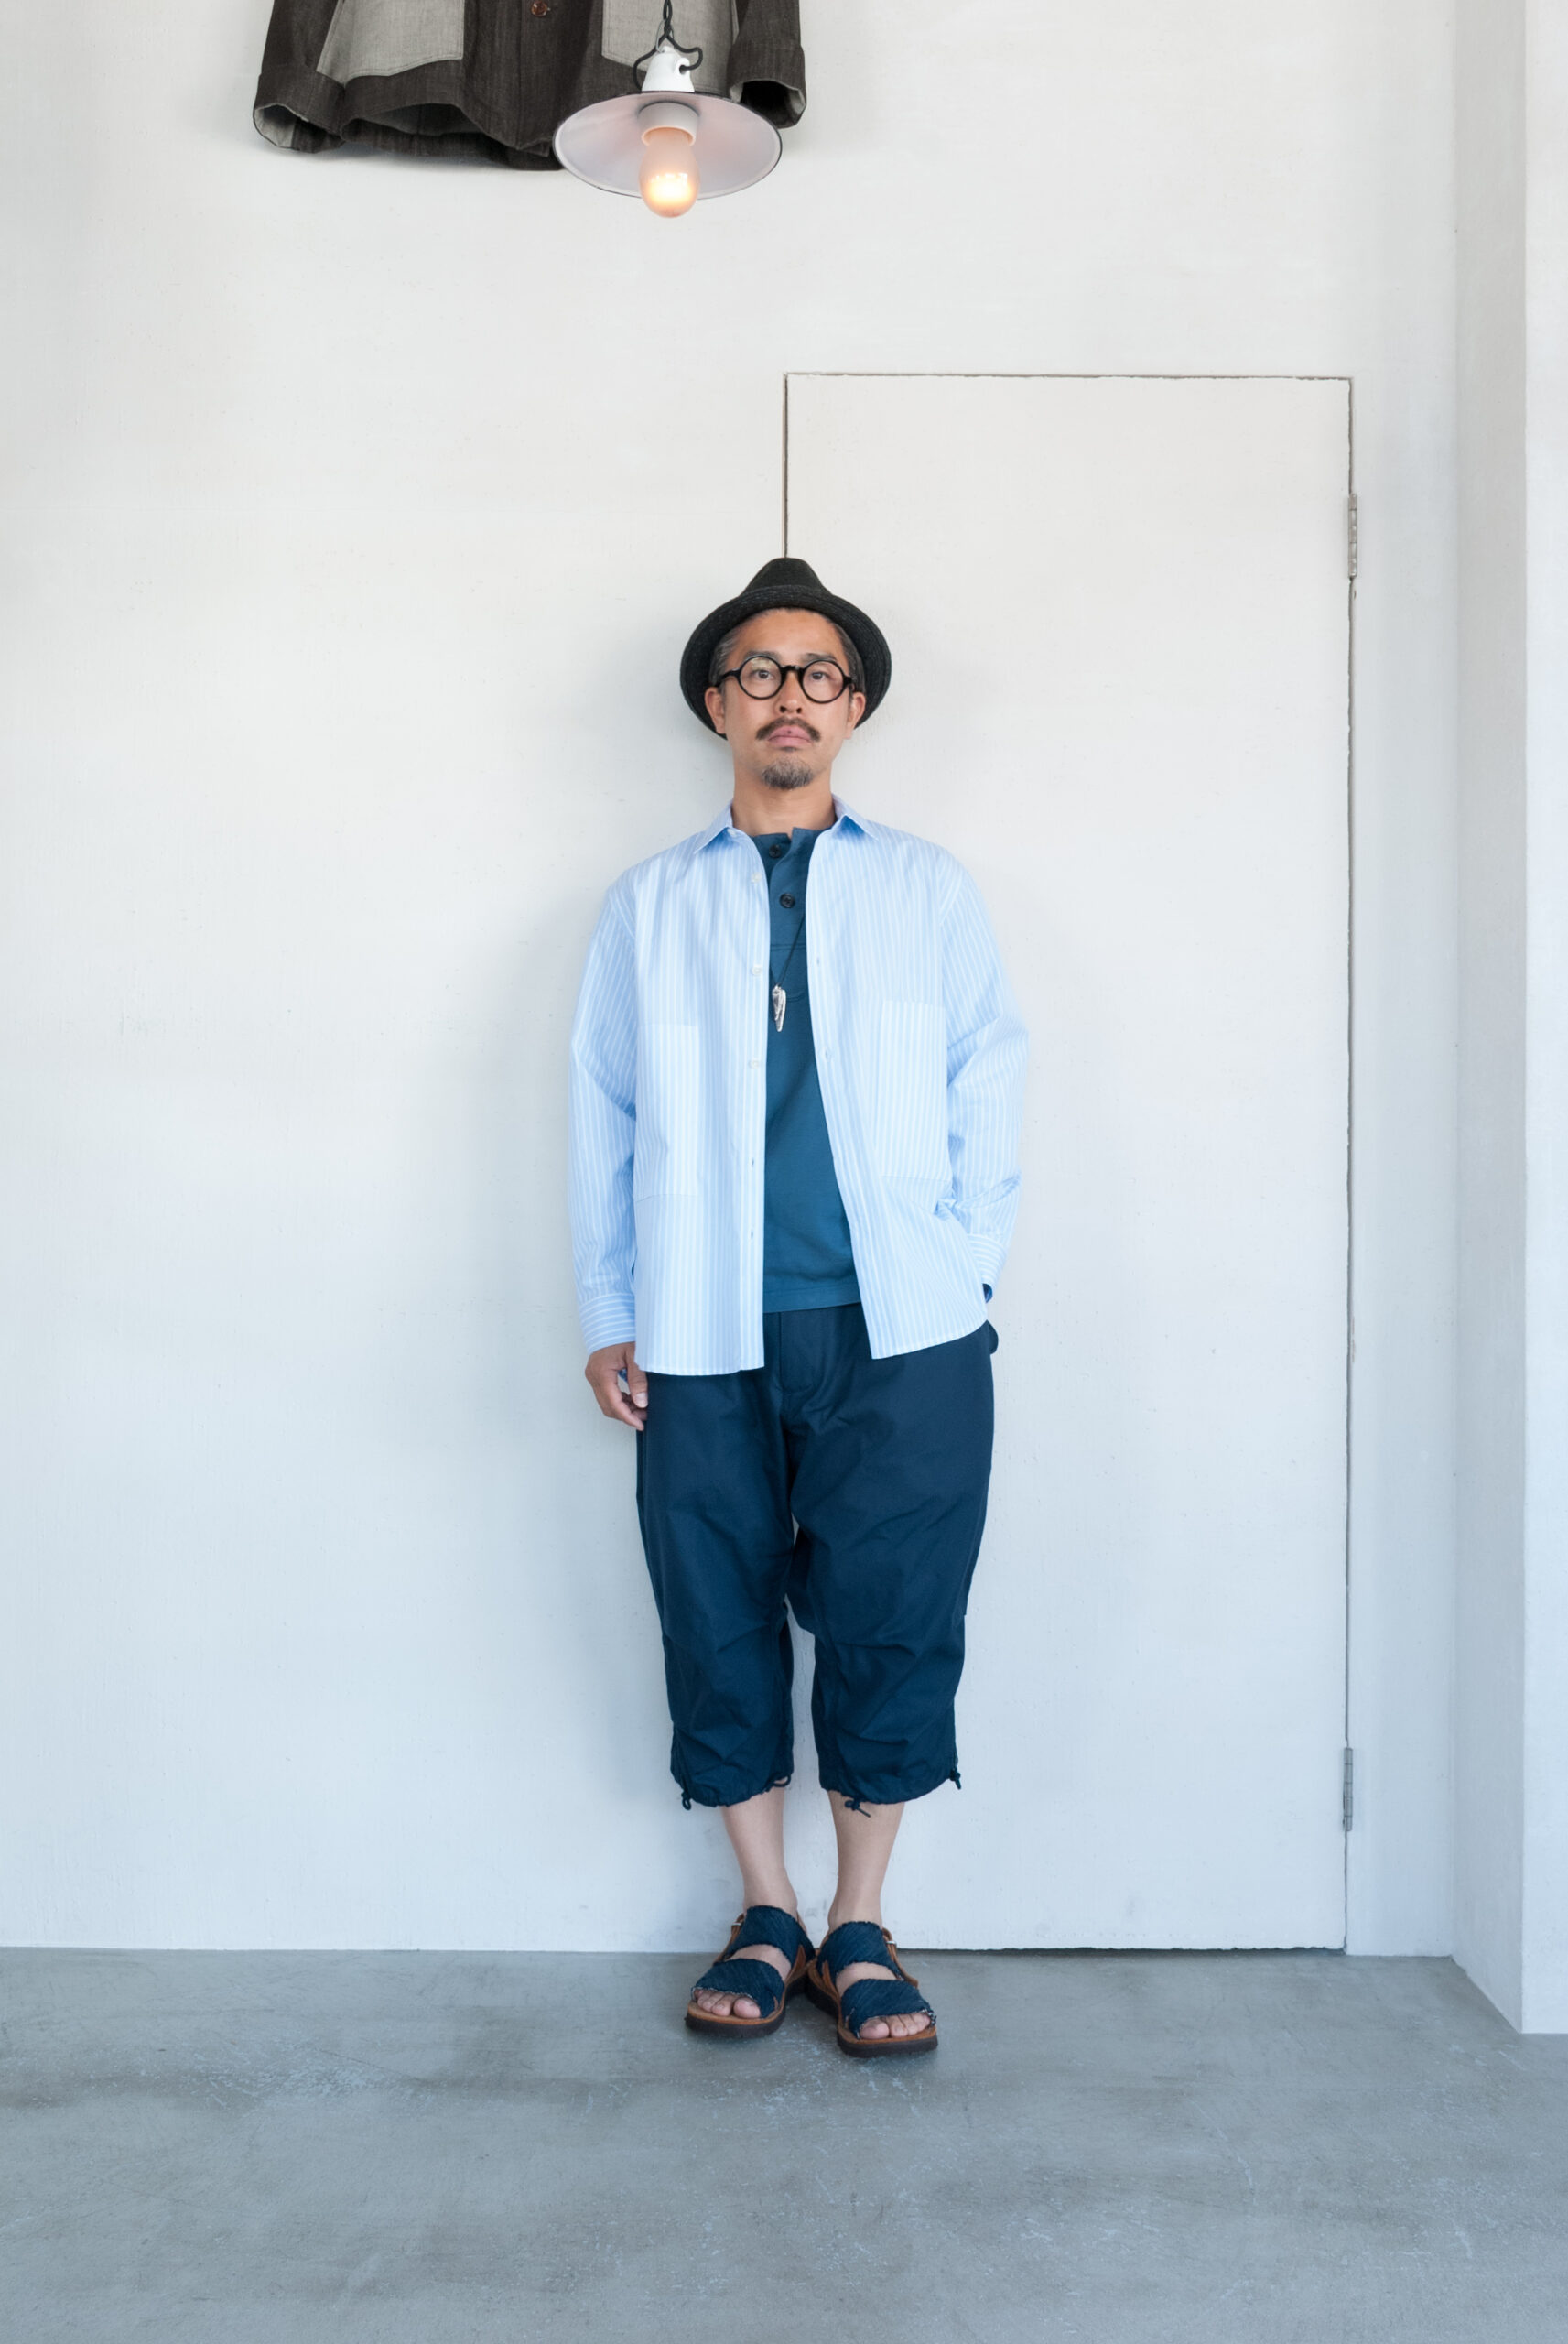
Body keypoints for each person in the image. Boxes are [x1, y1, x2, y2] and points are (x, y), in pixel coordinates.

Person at [568, 557, 1026, 2057]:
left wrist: (961, 1273)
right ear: (717, 703)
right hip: (701, 1329)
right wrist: (610, 1303)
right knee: (714, 1608)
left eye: (815, 673)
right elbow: (604, 1112)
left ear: (854, 705)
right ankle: (765, 1909)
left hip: (901, 1333)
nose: (788, 697)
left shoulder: (923, 888)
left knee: (896, 1614)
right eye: (758, 672)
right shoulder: (650, 904)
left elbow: (987, 1079)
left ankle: (861, 1921)